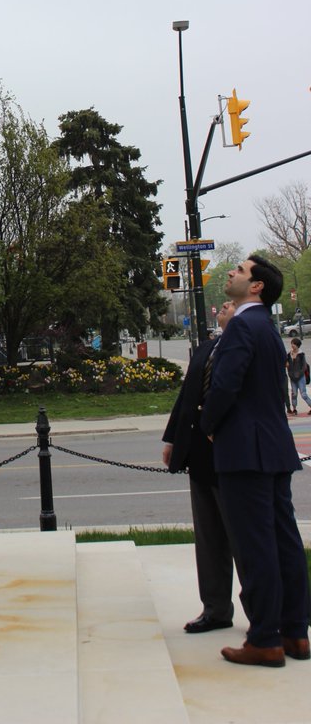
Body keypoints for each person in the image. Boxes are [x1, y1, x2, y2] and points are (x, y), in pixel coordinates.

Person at [200, 255, 311, 668]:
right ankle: (295, 632)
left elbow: (225, 385)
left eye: (240, 270)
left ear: (257, 286)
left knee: (255, 546)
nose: (231, 273)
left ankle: (264, 639)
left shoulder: (243, 325)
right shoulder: (267, 326)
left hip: (245, 451)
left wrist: (208, 425)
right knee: (283, 541)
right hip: (273, 447)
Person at [162, 300, 238, 633]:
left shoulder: (245, 345)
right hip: (200, 455)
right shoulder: (207, 348)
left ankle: (263, 616)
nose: (225, 305)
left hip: (232, 454)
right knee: (208, 537)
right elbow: (187, 395)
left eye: (231, 305)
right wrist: (172, 439)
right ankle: (215, 609)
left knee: (241, 538)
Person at [286, 337, 311, 415]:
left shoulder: (301, 354)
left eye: (294, 344)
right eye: (292, 343)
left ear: (297, 345)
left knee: (303, 394)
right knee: (294, 394)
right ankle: (294, 409)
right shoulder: (289, 354)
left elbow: (304, 366)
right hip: (292, 377)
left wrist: (299, 374)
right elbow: (286, 364)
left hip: (300, 377)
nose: (292, 345)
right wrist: (288, 368)